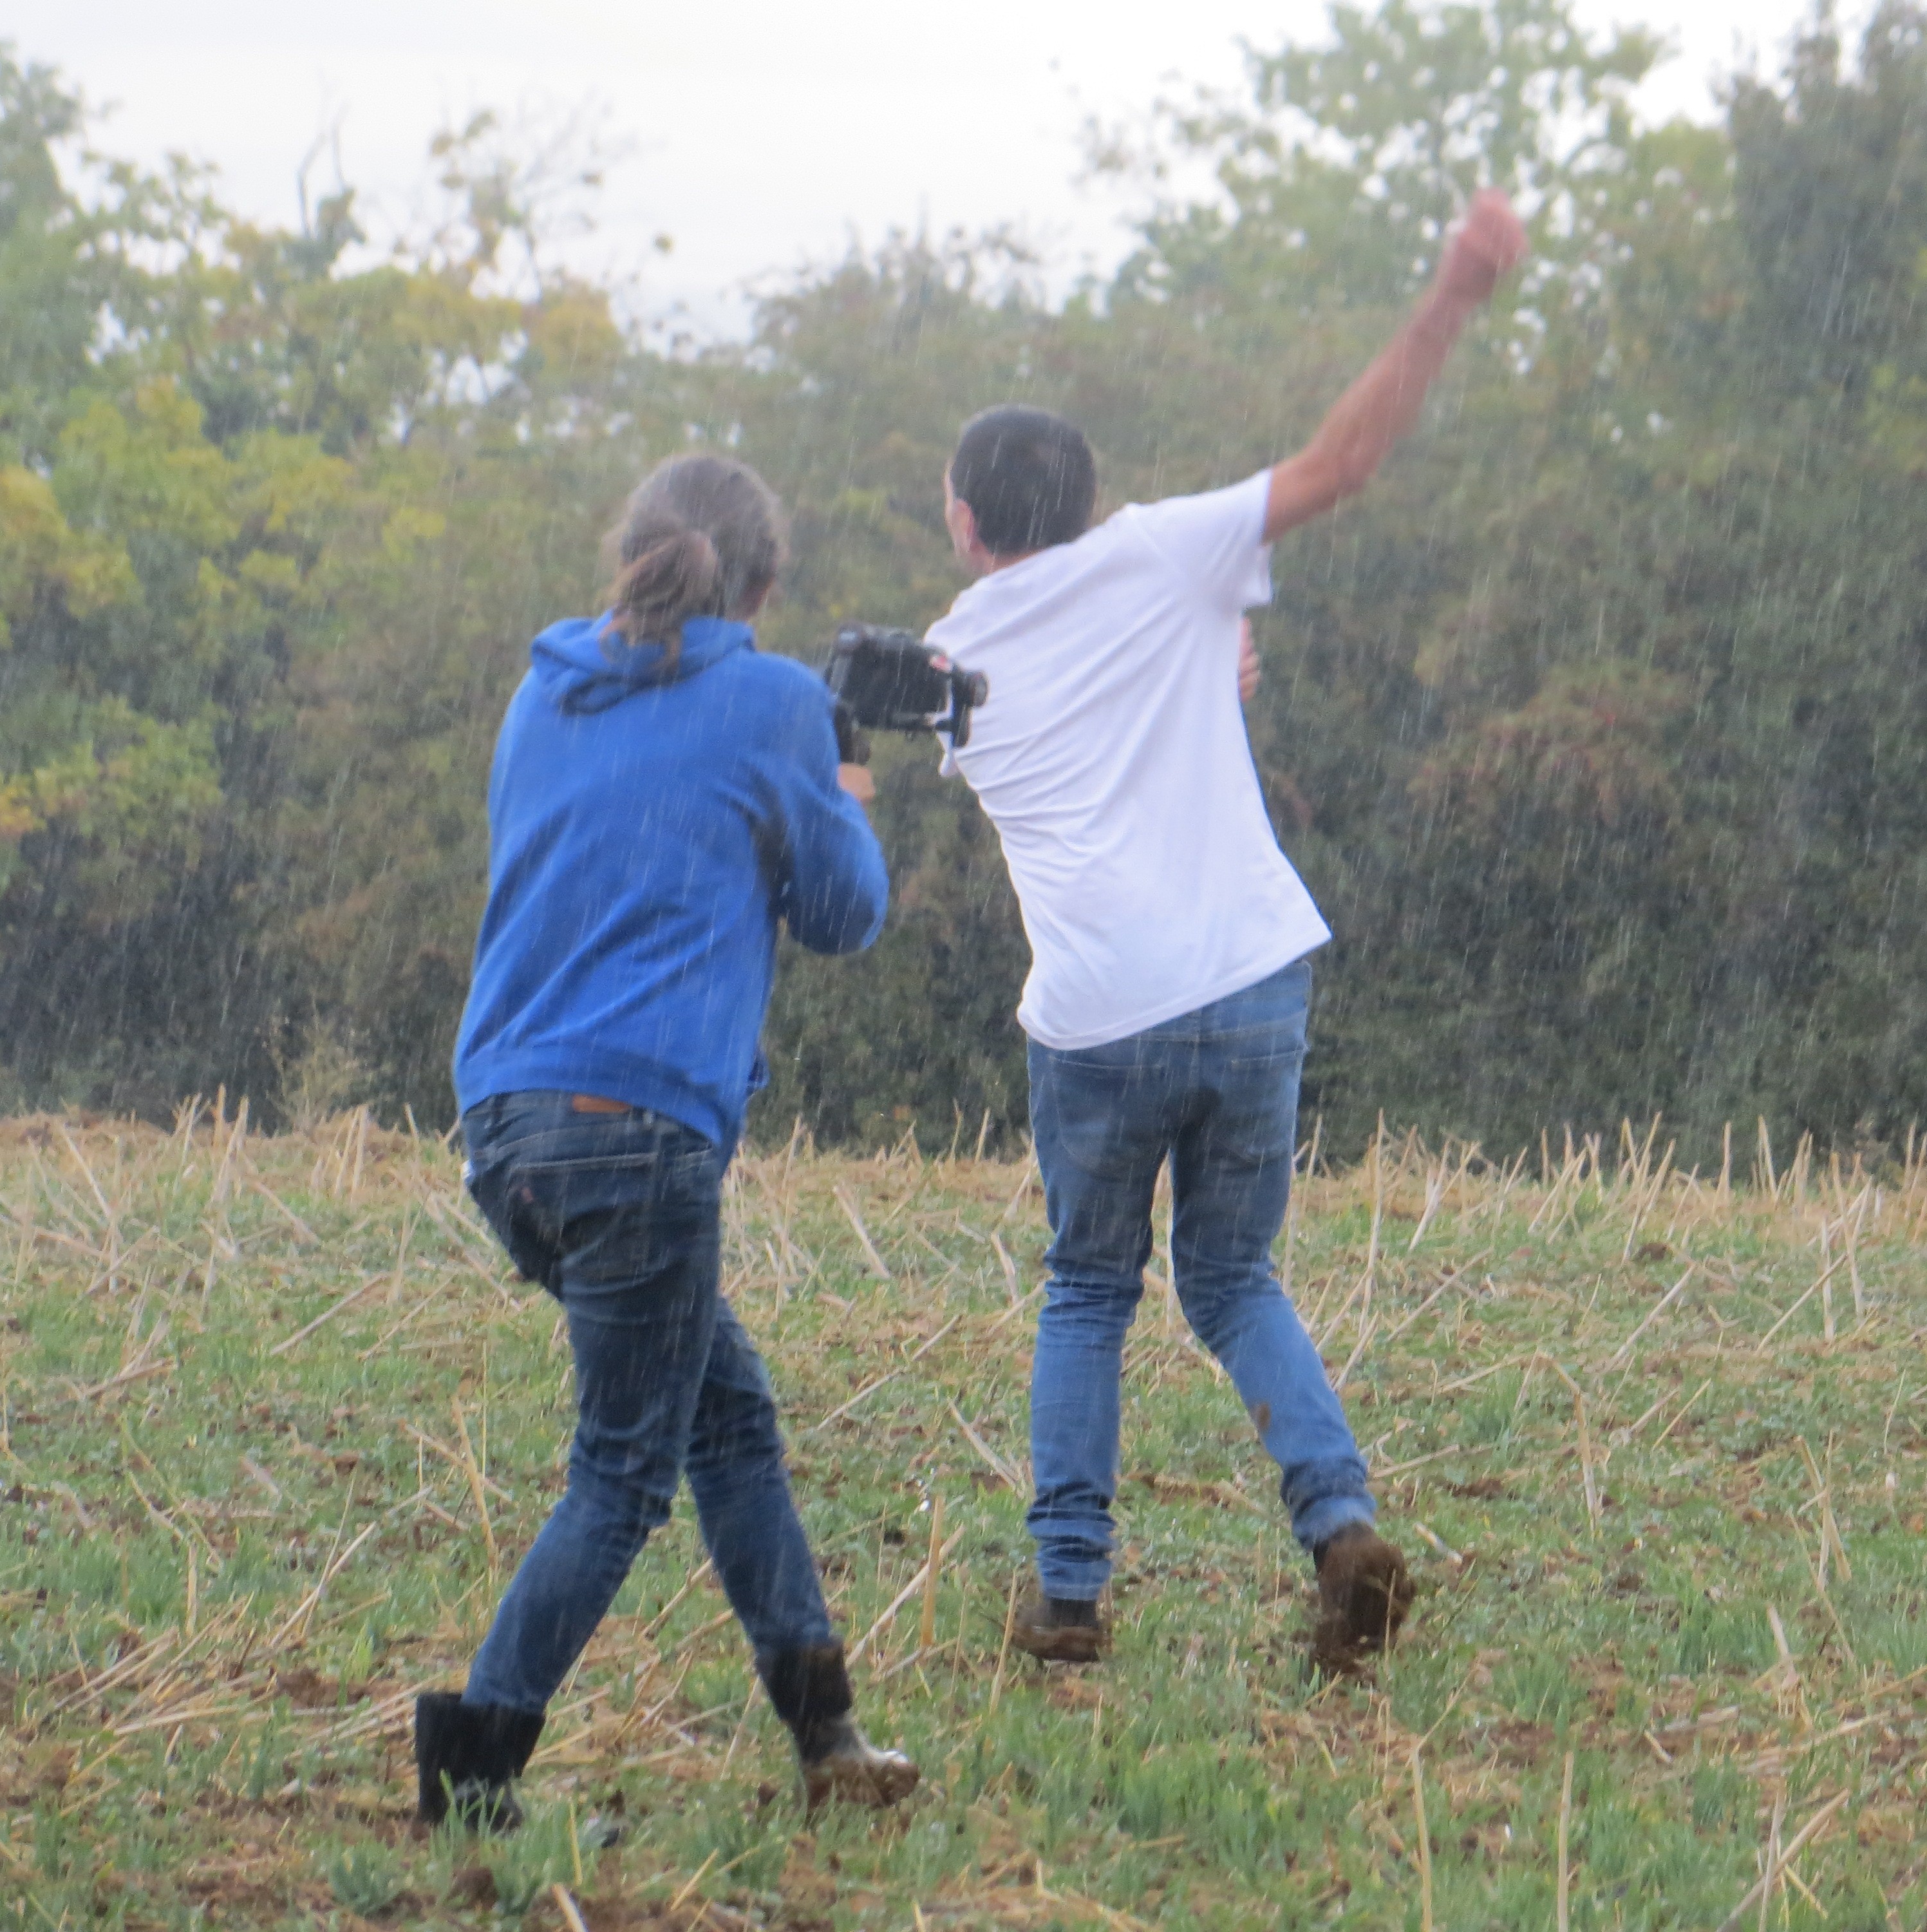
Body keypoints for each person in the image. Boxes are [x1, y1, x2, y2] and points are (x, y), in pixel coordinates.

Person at [926, 189, 1531, 1669]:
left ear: (961, 521)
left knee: (1087, 1287)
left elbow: (1054, 745)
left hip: (1097, 1013)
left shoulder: (949, 658)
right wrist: (1450, 293)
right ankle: (1338, 1528)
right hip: (1253, 978)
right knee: (1232, 1278)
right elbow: (1347, 461)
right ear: (1085, 500)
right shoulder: (1168, 553)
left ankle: (1068, 1597)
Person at [414, 453, 918, 1832]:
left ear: (628, 556)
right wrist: (849, 765)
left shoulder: (541, 689)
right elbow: (842, 913)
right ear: (760, 587)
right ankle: (474, 1754)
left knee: (728, 1423)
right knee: (623, 1476)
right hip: (634, 1134)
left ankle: (830, 1739)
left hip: (505, 1126)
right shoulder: (771, 702)